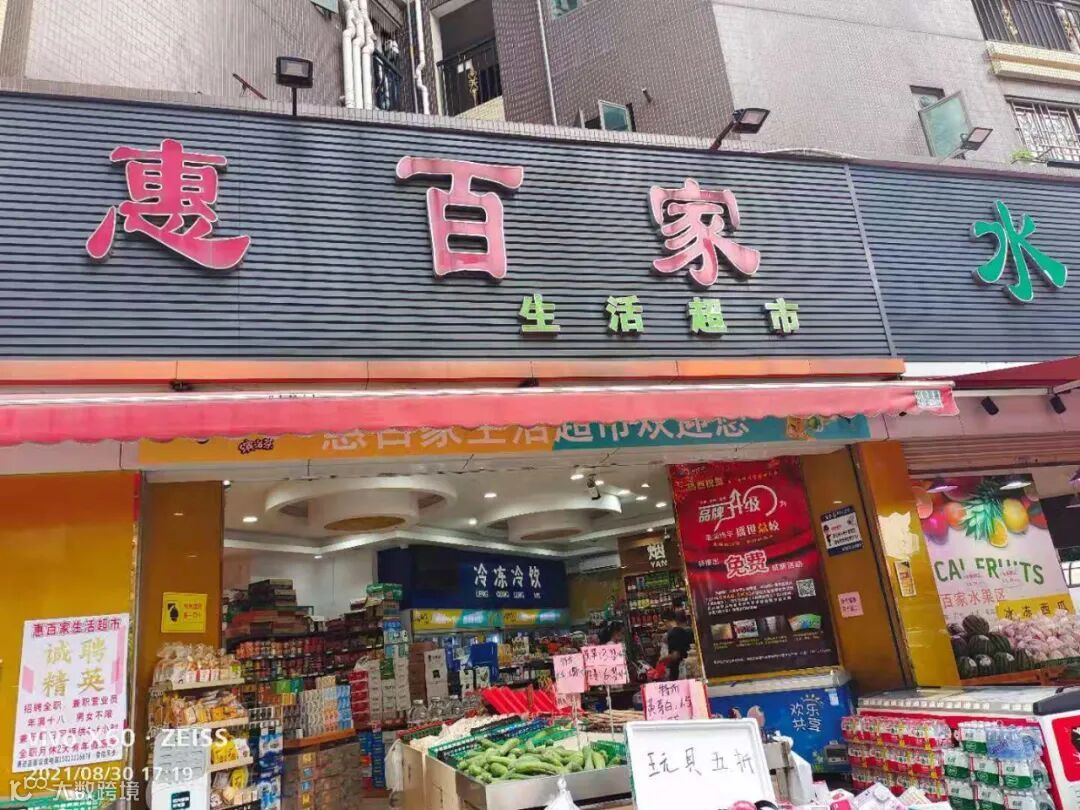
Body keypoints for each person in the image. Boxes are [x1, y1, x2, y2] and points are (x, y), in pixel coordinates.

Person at [661, 608, 693, 681]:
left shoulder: (673, 634)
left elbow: (675, 655)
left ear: (665, 621)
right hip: (686, 667)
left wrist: (663, 659)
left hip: (678, 671)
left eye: (664, 624)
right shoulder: (683, 631)